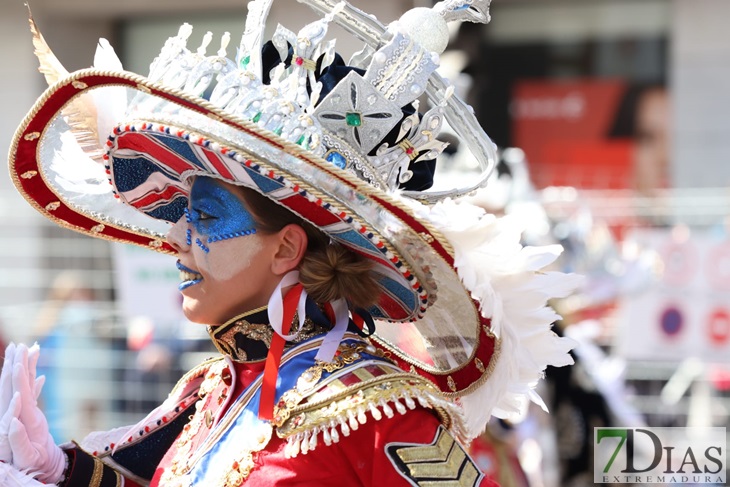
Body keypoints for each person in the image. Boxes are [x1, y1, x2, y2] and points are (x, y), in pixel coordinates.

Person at [3, 1, 579, 485]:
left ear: (286, 249)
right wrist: (56, 469)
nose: (177, 238)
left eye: (203, 214)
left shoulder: (385, 412)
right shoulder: (209, 393)